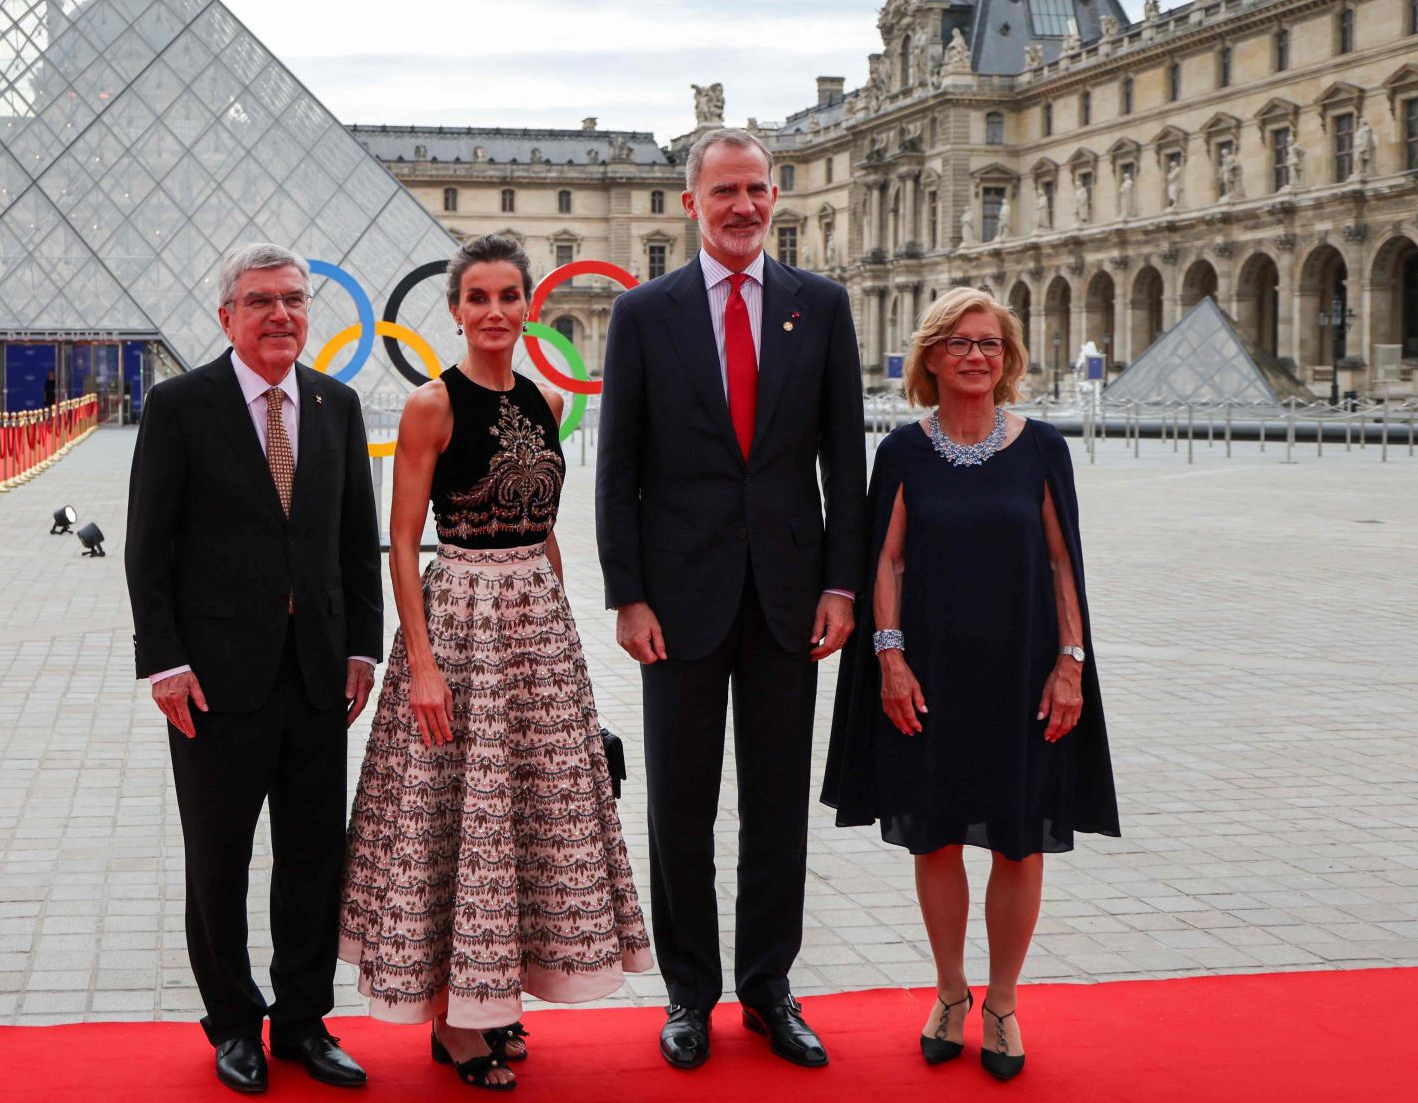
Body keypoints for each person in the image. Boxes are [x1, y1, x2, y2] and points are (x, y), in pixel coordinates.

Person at [341, 235, 651, 1092]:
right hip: (459, 620)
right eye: (477, 297)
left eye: (508, 296)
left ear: (527, 307)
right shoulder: (432, 405)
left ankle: (494, 998)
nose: (494, 312)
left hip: (535, 632)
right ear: (456, 310)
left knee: (521, 813)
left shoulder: (546, 399)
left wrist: (559, 627)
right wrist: (425, 667)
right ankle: (450, 1020)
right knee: (453, 815)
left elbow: (544, 525)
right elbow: (404, 542)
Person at [595, 127, 866, 1072]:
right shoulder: (644, 314)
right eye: (725, 193)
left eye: (756, 190)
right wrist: (627, 596)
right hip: (678, 599)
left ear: (776, 195)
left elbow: (844, 458)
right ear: (691, 204)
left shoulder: (822, 307)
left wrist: (843, 583)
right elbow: (617, 466)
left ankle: (767, 986)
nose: (743, 206)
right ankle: (687, 992)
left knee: (777, 801)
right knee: (679, 801)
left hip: (791, 597)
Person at [821, 287, 1119, 1082]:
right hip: (931, 671)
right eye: (958, 342)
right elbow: (883, 559)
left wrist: (1071, 664)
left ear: (1009, 356)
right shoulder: (903, 452)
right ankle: (951, 992)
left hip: (1025, 669)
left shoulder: (1043, 447)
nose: (976, 355)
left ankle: (1003, 1003)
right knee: (937, 831)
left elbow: (1064, 562)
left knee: (1019, 840)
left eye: (989, 342)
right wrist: (889, 657)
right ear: (930, 356)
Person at [126, 242, 384, 1095]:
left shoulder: (337, 403)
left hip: (317, 676)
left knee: (315, 855)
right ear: (226, 315)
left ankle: (304, 1021)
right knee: (219, 861)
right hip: (214, 681)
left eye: (294, 300)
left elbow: (356, 537)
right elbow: (147, 548)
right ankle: (234, 1023)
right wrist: (163, 661)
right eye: (261, 300)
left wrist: (361, 648)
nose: (281, 314)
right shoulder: (179, 405)